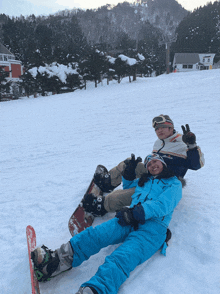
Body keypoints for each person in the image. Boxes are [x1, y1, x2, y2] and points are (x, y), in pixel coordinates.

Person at [32, 154, 182, 294]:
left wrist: (136, 212)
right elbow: (129, 187)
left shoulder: (174, 183)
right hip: (131, 218)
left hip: (152, 229)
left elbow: (163, 205)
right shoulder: (144, 181)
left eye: (155, 161)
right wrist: (128, 174)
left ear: (163, 164)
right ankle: (56, 261)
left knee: (122, 257)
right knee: (96, 234)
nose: (152, 165)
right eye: (149, 163)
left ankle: (96, 289)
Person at [82, 115, 205, 217]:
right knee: (129, 162)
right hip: (155, 173)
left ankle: (103, 205)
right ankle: (108, 182)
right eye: (157, 129)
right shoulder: (159, 142)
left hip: (166, 183)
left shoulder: (182, 142)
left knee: (134, 193)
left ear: (171, 127)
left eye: (163, 127)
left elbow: (196, 165)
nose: (159, 130)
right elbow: (155, 161)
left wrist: (192, 146)